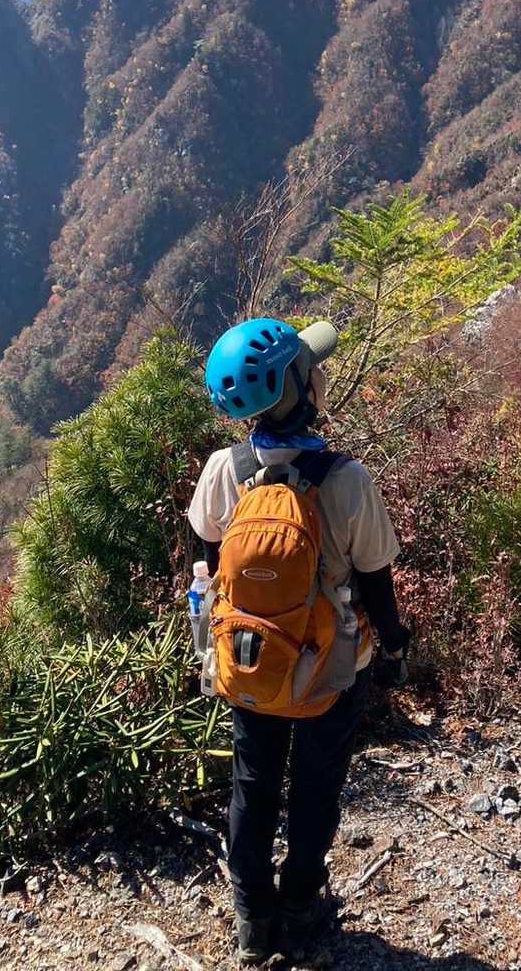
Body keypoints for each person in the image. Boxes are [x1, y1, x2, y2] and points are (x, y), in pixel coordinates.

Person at [189, 317, 409, 964]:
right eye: (311, 366)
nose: (320, 371)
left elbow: (211, 564)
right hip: (331, 670)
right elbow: (377, 584)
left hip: (250, 662)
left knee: (252, 785)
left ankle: (253, 921)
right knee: (316, 788)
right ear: (300, 387)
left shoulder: (223, 470)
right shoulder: (345, 479)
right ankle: (301, 907)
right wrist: (395, 648)